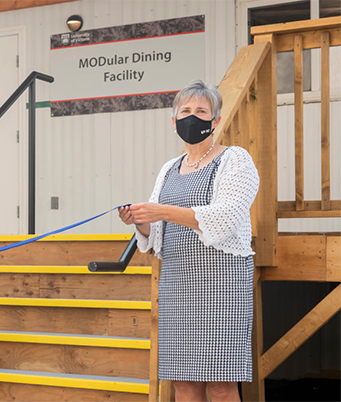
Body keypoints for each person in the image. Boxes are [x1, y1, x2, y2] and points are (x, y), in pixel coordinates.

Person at [119, 79, 259, 402]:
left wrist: (162, 210)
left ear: (216, 120)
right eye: (185, 110)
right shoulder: (168, 169)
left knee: (222, 386)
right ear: (174, 121)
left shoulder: (235, 160)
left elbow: (223, 219)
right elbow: (154, 236)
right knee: (182, 384)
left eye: (201, 111)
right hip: (178, 286)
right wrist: (140, 222)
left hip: (222, 286)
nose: (192, 116)